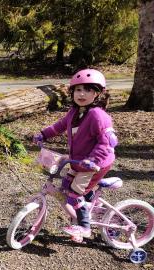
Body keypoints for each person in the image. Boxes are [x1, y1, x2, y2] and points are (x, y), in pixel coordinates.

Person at [33, 69, 118, 242]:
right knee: (65, 186)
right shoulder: (74, 112)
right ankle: (88, 207)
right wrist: (43, 134)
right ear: (72, 92)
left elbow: (107, 143)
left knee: (74, 193)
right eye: (78, 89)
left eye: (87, 90)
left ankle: (85, 227)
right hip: (79, 161)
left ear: (97, 93)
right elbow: (59, 126)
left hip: (95, 164)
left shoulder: (98, 116)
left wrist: (92, 161)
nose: (81, 94)